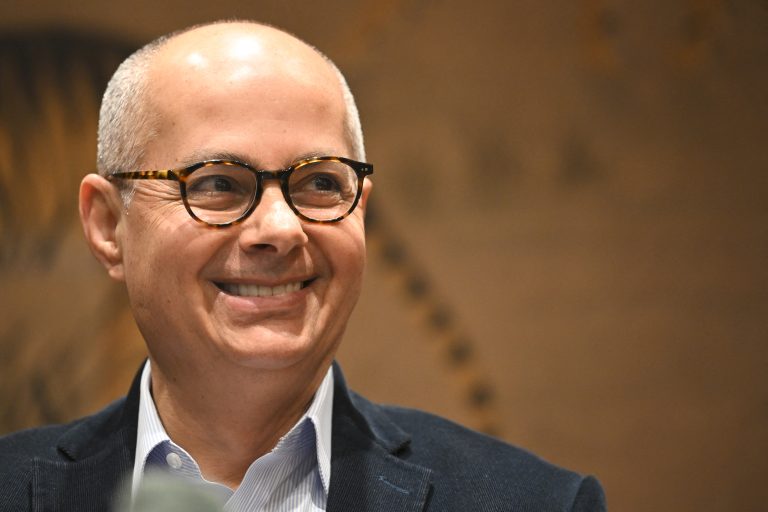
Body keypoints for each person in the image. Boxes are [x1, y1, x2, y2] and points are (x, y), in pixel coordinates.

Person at [0, 21, 606, 511]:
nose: (280, 230)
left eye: (319, 183)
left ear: (359, 211)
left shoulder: (536, 503)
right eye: (216, 183)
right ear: (108, 226)